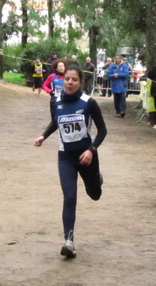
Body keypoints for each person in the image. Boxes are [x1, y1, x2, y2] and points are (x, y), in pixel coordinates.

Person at [34, 65, 106, 259]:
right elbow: (55, 122)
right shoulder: (56, 101)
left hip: (87, 156)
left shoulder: (88, 102)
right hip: (65, 157)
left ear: (80, 82)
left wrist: (91, 150)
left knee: (95, 194)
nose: (70, 83)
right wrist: (43, 136)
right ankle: (69, 241)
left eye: (74, 79)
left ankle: (96, 179)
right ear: (62, 79)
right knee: (69, 197)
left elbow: (102, 131)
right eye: (67, 79)